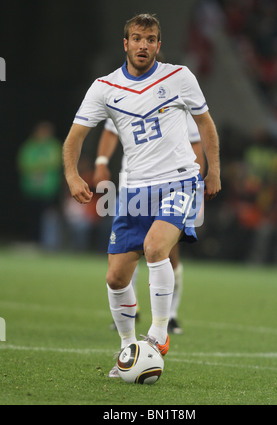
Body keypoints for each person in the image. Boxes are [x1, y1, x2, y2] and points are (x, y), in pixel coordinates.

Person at [63, 13, 221, 378]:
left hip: (179, 181)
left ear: (158, 45)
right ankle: (128, 349)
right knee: (116, 278)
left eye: (150, 39)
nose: (143, 45)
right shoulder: (104, 87)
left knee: (156, 248)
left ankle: (159, 334)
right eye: (137, 38)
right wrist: (73, 175)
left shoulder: (179, 77)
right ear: (126, 43)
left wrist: (213, 170)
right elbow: (75, 137)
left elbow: (205, 124)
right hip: (134, 190)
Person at [93, 115, 206, 334]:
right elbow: (110, 129)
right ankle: (130, 313)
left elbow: (196, 145)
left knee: (168, 252)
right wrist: (101, 162)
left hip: (171, 187)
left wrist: (196, 188)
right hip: (132, 187)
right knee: (127, 251)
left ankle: (169, 317)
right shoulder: (126, 96)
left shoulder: (176, 101)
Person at [17, 121, 63, 250]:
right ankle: (32, 241)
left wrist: (38, 166)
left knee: (47, 217)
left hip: (48, 189)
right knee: (32, 216)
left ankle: (47, 243)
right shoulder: (30, 145)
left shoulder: (54, 146)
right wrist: (39, 167)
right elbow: (24, 162)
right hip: (31, 188)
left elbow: (55, 162)